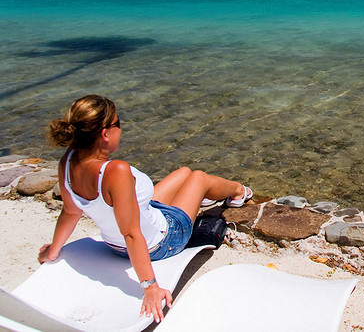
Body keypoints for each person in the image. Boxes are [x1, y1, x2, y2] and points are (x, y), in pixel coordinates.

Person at [40, 94, 253, 323]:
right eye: (118, 122)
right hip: (163, 241)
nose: (120, 128)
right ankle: (239, 192)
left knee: (183, 173)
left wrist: (53, 251)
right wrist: (150, 287)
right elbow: (131, 233)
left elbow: (71, 212)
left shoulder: (68, 161)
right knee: (199, 178)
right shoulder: (115, 171)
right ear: (104, 133)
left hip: (116, 245)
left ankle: (199, 198)